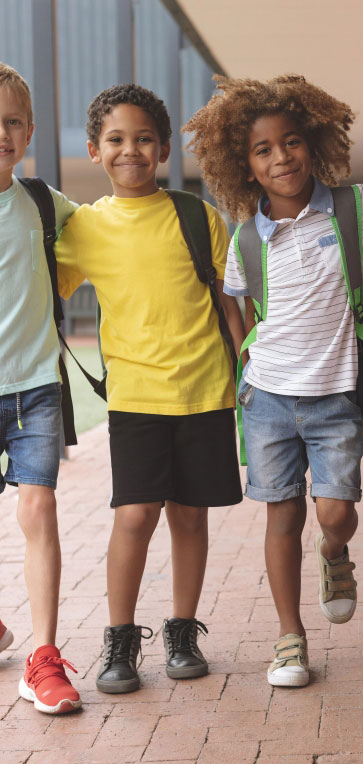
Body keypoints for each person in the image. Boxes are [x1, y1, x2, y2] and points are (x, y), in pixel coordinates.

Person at [183, 75, 363, 688]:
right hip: (269, 399)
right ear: (244, 165)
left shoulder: (358, 208)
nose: (282, 158)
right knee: (281, 518)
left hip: (334, 399)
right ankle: (290, 638)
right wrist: (243, 380)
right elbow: (241, 314)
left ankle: (335, 555)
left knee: (335, 513)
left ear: (314, 142)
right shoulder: (248, 236)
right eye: (263, 150)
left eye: (292, 141)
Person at [55, 84, 245, 694]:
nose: (129, 150)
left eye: (142, 139)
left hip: (205, 390)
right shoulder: (84, 228)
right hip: (134, 398)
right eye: (115, 140)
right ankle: (119, 640)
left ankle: (183, 632)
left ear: (163, 148)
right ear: (93, 150)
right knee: (134, 515)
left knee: (190, 516)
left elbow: (228, 301)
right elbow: (40, 285)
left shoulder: (197, 215)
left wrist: (248, 370)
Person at [0, 62, 82, 715]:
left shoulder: (41, 202)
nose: (1, 132)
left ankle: (44, 657)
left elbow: (110, 235)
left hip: (34, 387)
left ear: (28, 130)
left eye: (11, 121)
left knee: (39, 511)